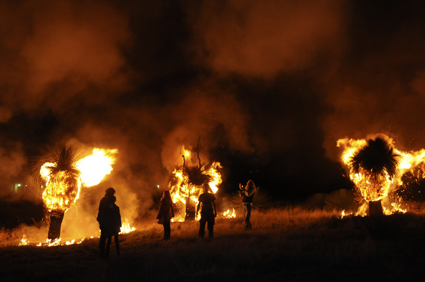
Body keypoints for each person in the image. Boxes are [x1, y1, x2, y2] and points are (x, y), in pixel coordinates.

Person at [97, 188, 122, 257]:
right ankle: (102, 253)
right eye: (112, 193)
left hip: (109, 222)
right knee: (104, 238)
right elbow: (102, 211)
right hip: (105, 222)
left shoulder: (109, 201)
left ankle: (106, 253)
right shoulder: (104, 200)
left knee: (107, 238)